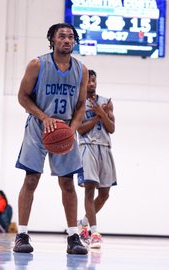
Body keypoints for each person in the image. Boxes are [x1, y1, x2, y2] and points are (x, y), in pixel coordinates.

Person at [13, 22, 89, 255]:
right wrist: (44, 117)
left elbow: (81, 104)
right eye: (62, 36)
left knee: (67, 183)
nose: (67, 40)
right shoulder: (38, 64)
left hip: (64, 128)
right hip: (38, 126)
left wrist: (73, 128)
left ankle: (73, 237)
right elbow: (23, 97)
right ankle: (22, 234)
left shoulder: (82, 70)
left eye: (71, 37)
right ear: (53, 40)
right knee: (31, 179)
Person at [76, 69, 117, 249]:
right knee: (89, 191)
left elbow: (112, 128)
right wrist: (97, 117)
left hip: (105, 148)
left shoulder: (106, 102)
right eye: (88, 81)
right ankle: (94, 233)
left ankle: (83, 222)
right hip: (87, 147)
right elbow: (80, 129)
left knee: (105, 193)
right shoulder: (78, 103)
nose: (91, 84)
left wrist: (102, 112)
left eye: (94, 81)